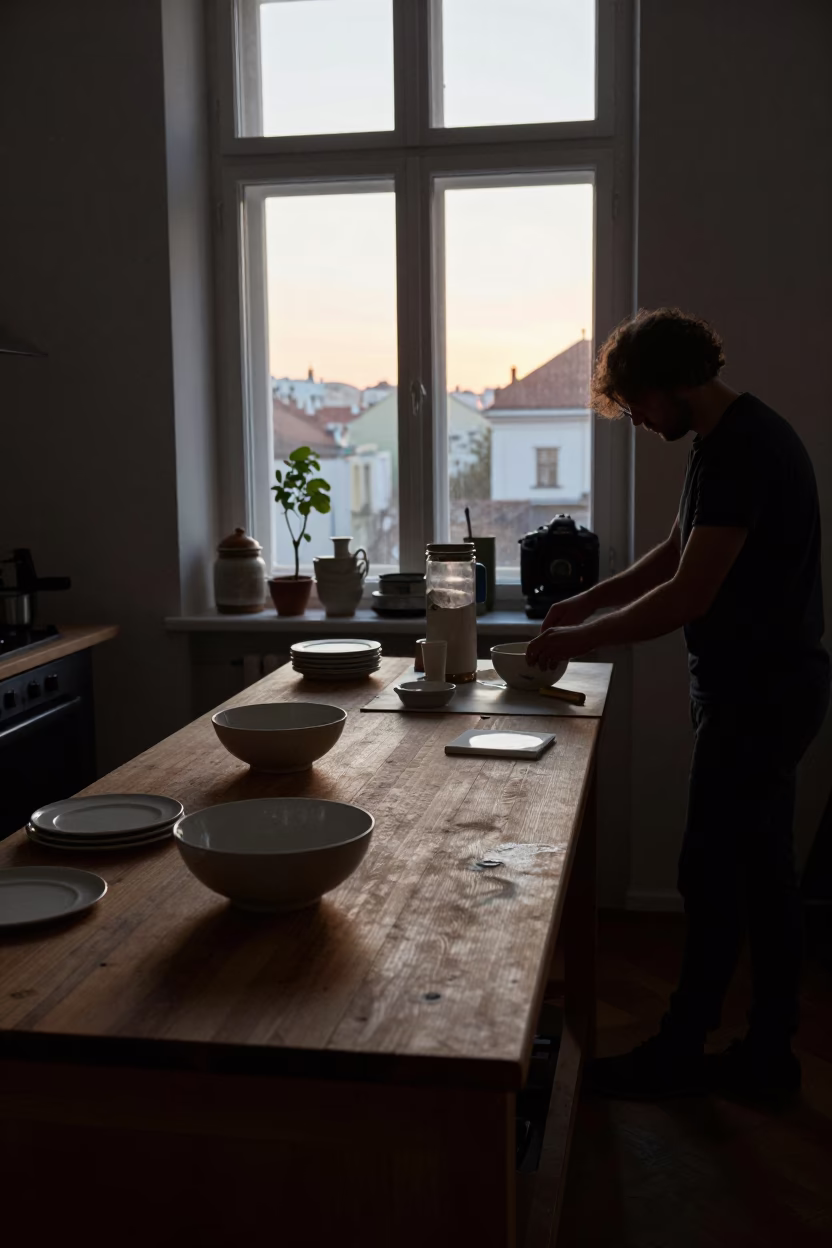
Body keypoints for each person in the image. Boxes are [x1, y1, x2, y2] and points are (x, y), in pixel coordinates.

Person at [527, 308, 830, 1100]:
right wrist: (577, 605)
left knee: (715, 872)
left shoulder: (744, 451)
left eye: (634, 405)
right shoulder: (724, 443)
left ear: (670, 384)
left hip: (761, 695)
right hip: (756, 689)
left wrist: (577, 639)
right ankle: (767, 1058)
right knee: (758, 873)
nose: (634, 421)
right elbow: (673, 553)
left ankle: (687, 1049)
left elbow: (687, 596)